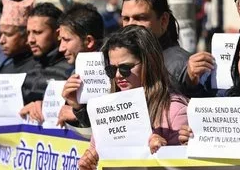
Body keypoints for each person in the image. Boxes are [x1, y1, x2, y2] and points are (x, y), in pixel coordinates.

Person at [79, 25, 188, 169]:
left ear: (149, 64)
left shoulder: (174, 110)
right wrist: (88, 163)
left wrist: (163, 153)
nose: (118, 76)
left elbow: (185, 166)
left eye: (125, 68)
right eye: (112, 69)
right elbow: (97, 156)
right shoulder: (107, 109)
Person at [120, 0, 194, 97]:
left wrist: (192, 82)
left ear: (163, 20)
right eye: (126, 19)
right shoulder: (119, 60)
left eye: (140, 18)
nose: (130, 25)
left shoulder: (181, 66)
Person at [0, 0, 37, 116]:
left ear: (26, 36)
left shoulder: (38, 69)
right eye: (1, 34)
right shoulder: (5, 67)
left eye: (8, 34)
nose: (1, 40)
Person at [19, 3, 71, 121]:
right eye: (28, 33)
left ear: (57, 34)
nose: (30, 40)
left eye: (37, 32)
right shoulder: (25, 67)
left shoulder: (70, 70)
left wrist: (46, 108)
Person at [55, 3, 104, 127]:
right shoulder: (74, 72)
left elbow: (110, 125)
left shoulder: (113, 72)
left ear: (89, 41)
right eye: (60, 40)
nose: (61, 48)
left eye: (67, 40)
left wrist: (77, 113)